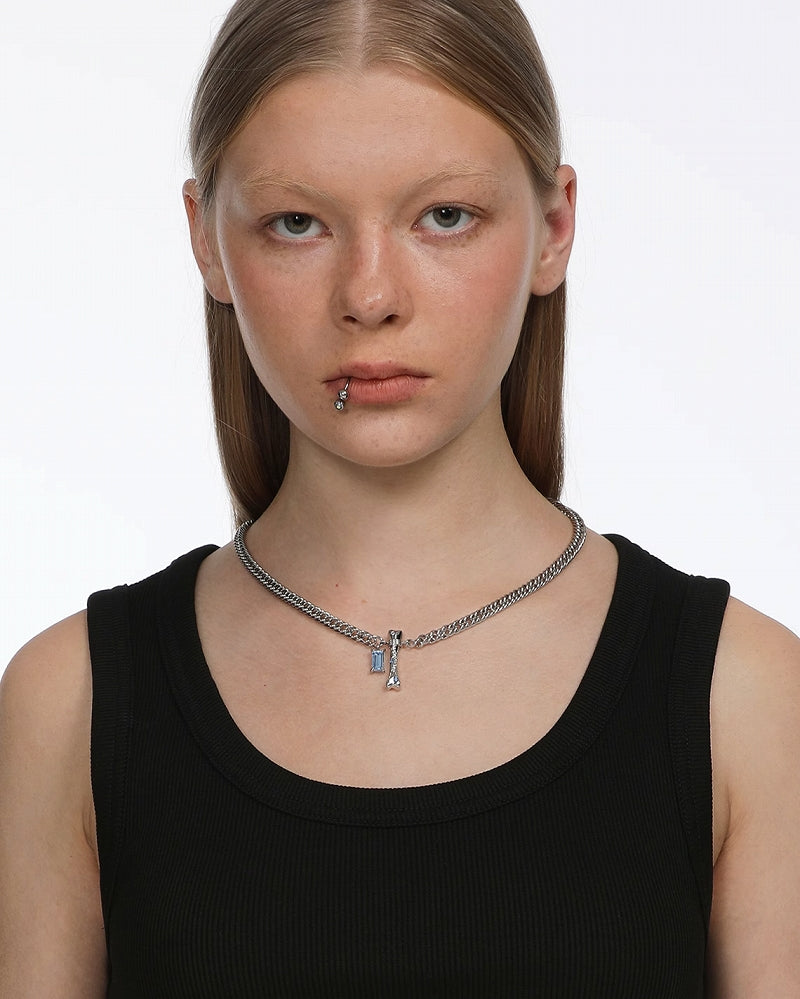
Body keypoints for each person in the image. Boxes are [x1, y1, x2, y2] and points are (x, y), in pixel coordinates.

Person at [1, 0, 798, 995]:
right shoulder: (69, 704)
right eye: (297, 223)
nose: (370, 296)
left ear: (554, 229)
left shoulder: (745, 699)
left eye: (443, 216)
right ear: (206, 241)